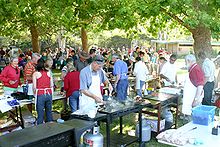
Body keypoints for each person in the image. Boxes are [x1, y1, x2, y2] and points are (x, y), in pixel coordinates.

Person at [32, 58, 53, 125]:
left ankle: (40, 130)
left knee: (40, 113)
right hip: (49, 93)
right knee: (49, 112)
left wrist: (34, 94)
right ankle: (51, 128)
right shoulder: (49, 72)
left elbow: (34, 87)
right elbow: (52, 84)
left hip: (40, 94)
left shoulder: (35, 74)